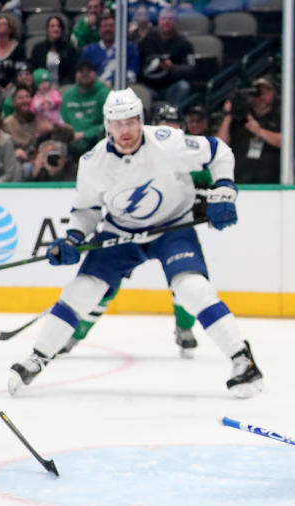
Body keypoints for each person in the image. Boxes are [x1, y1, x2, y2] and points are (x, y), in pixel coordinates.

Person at [7, 88, 264, 399]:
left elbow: (219, 151)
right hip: (120, 232)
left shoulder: (166, 143)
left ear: (141, 120)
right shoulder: (93, 162)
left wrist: (225, 190)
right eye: (117, 124)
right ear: (106, 125)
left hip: (172, 227)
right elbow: (87, 209)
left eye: (130, 122)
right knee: (82, 290)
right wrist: (74, 236)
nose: (124, 131)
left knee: (192, 288)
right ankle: (37, 357)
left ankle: (243, 361)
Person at [57, 102, 202, 357]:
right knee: (105, 283)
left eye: (174, 123)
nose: (169, 129)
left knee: (185, 278)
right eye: (164, 123)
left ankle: (184, 327)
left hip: (169, 227)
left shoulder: (181, 150)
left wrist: (209, 202)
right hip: (127, 229)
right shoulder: (133, 154)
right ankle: (75, 333)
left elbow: (206, 182)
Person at [216, 77, 283, 184]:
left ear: (274, 93)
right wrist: (228, 116)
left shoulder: (280, 116)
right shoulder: (240, 116)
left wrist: (260, 131)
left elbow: (286, 142)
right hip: (240, 180)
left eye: (266, 91)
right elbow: (219, 145)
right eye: (258, 92)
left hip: (270, 182)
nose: (261, 96)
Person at [137, 8, 196, 109]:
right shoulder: (148, 40)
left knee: (183, 86)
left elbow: (191, 69)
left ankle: (173, 116)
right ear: (159, 21)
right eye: (164, 19)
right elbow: (138, 62)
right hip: (150, 87)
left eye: (170, 19)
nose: (167, 22)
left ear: (176, 21)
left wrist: (172, 67)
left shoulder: (184, 44)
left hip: (171, 87)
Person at [61, 58, 110, 159]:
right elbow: (63, 122)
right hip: (71, 142)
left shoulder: (104, 94)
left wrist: (85, 134)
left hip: (96, 141)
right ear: (76, 75)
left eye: (88, 70)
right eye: (81, 71)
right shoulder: (67, 96)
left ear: (95, 73)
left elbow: (108, 123)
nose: (85, 74)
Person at [81, 11, 141, 87]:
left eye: (111, 26)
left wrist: (113, 84)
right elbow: (85, 76)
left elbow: (132, 74)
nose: (107, 29)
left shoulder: (129, 48)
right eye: (104, 26)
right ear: (99, 29)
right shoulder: (88, 51)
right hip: (97, 92)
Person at [29, 14, 79, 85]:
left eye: (59, 26)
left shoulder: (69, 48)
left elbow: (73, 71)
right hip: (41, 86)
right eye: (52, 26)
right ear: (47, 29)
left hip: (64, 86)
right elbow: (35, 70)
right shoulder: (38, 48)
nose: (56, 29)